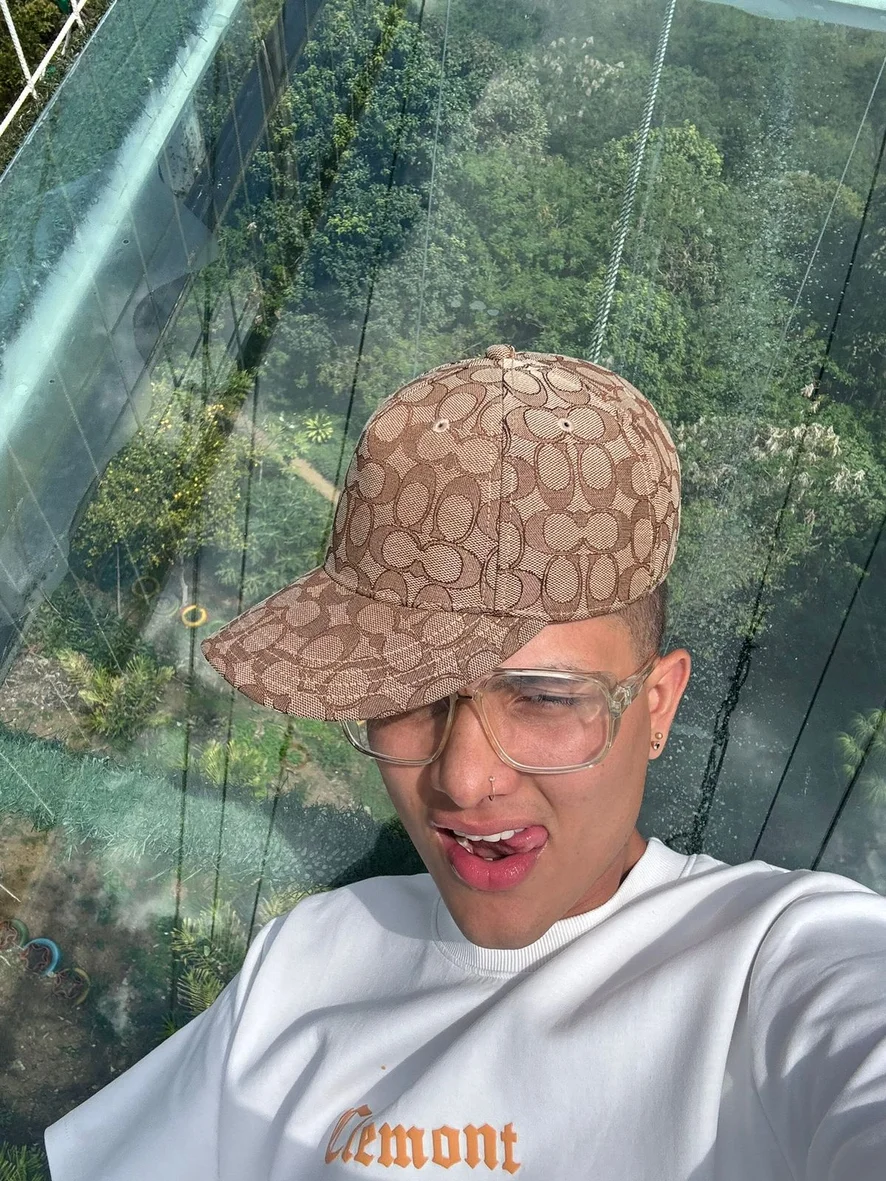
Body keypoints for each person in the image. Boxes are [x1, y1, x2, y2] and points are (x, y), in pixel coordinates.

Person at [45, 347, 886, 1179]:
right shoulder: (301, 963)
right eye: (410, 694)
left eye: (544, 697)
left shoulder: (776, 964)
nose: (462, 777)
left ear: (657, 703)